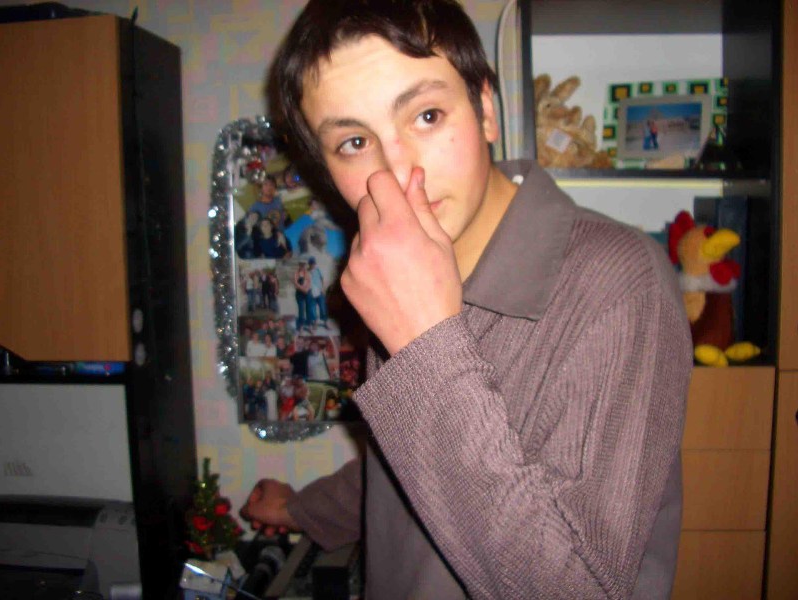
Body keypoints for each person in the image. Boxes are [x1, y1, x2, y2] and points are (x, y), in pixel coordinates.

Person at [241, 1, 692, 599]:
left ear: (485, 110)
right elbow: (408, 468)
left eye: (426, 115)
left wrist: (423, 342)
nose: (398, 172)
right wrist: (305, 509)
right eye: (354, 142)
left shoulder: (619, 282)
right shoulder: (399, 268)